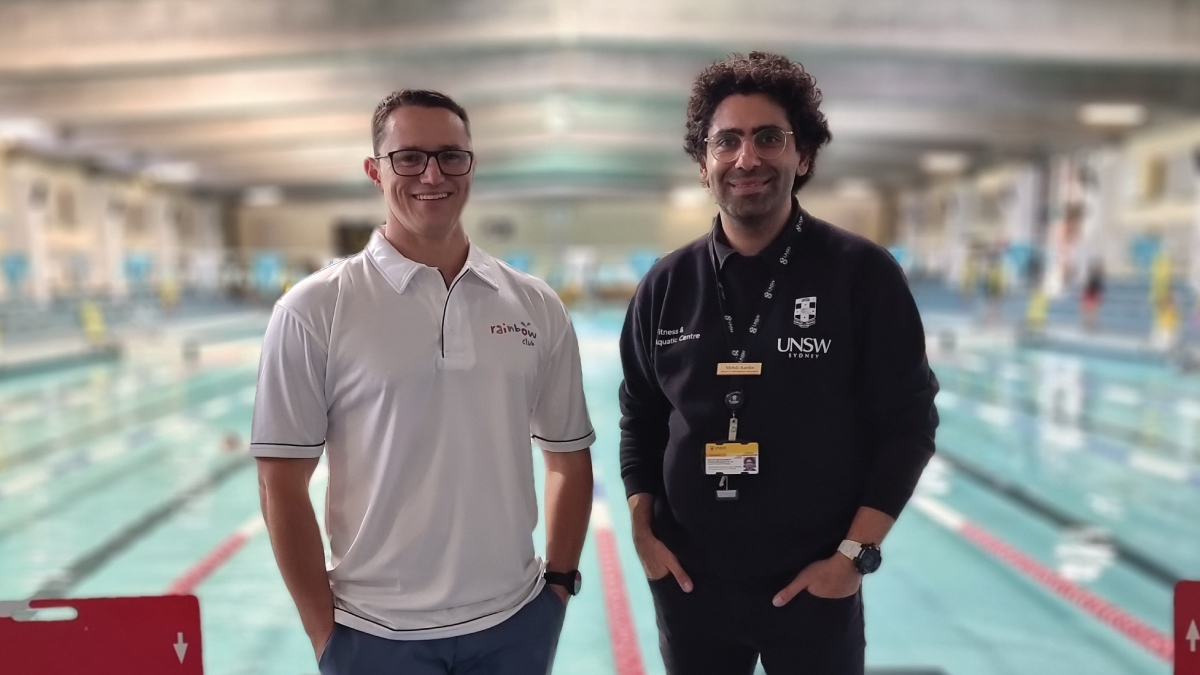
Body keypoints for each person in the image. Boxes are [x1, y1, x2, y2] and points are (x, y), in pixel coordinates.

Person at [252, 89, 595, 675]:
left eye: (450, 156)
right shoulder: (315, 309)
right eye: (408, 157)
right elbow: (281, 481)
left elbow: (568, 456)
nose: (431, 174)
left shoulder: (535, 304)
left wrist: (556, 589)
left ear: (471, 165)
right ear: (374, 171)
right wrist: (324, 634)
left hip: (514, 625)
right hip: (373, 633)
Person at [618, 53, 940, 675]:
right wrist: (643, 532)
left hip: (815, 584)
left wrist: (853, 557)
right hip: (688, 586)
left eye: (769, 138)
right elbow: (641, 417)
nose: (747, 159)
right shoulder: (665, 285)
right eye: (727, 141)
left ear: (804, 155)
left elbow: (908, 426)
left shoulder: (861, 274)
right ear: (703, 162)